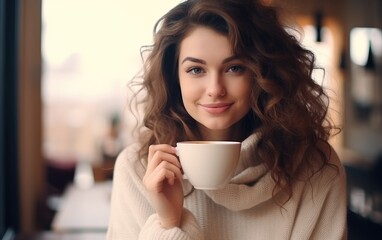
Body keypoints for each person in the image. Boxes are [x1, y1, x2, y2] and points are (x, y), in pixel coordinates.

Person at [107, 0, 347, 239]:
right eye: (196, 70)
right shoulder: (137, 170)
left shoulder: (316, 168)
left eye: (234, 68)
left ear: (262, 73)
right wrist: (169, 223)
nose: (215, 89)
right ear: (174, 78)